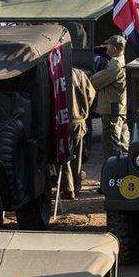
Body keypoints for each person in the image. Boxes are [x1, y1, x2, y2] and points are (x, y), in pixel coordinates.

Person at [90, 35, 129, 158]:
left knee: (111, 139)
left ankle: (115, 165)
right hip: (119, 106)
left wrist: (85, 80)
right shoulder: (123, 60)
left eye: (108, 45)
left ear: (113, 48)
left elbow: (96, 81)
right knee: (122, 139)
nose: (106, 47)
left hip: (112, 107)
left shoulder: (115, 64)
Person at [62, 67, 95, 199]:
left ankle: (68, 189)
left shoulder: (57, 73)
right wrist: (84, 110)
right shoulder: (80, 74)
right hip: (79, 120)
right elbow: (91, 94)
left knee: (64, 156)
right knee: (77, 156)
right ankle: (76, 186)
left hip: (62, 121)